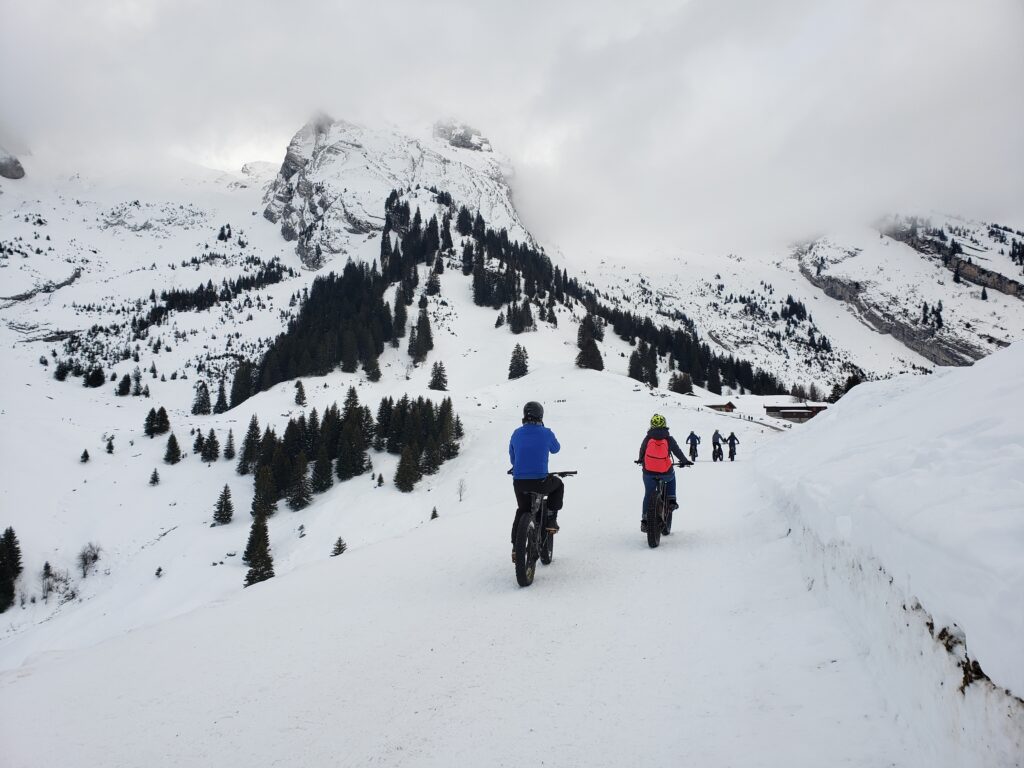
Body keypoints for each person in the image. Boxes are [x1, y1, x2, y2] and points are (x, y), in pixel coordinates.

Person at [509, 401, 563, 558]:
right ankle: (551, 519)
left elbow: (513, 459)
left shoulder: (516, 433)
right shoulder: (546, 432)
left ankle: (515, 547)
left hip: (519, 482)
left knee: (522, 510)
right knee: (558, 485)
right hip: (540, 481)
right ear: (541, 416)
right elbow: (556, 449)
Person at [636, 414, 692, 532]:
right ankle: (671, 499)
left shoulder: (648, 438)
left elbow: (642, 450)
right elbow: (677, 451)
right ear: (664, 424)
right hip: (665, 472)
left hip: (648, 473)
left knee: (648, 494)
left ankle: (645, 520)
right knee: (671, 477)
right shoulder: (668, 438)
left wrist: (640, 459)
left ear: (651, 425)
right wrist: (684, 461)